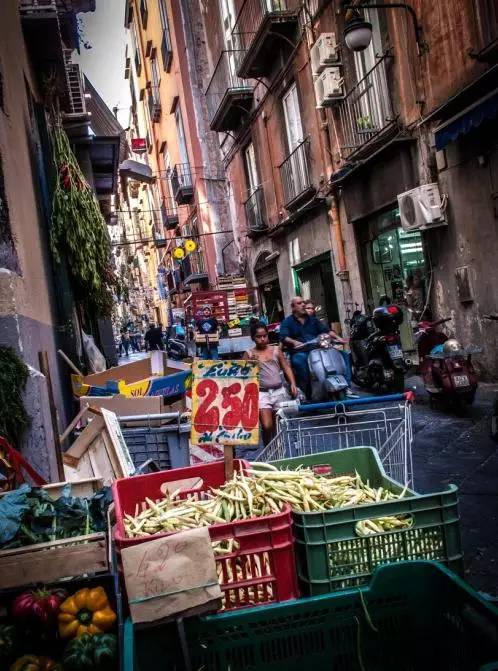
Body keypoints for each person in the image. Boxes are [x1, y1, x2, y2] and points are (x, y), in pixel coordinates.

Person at [245, 322, 297, 446]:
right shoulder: (249, 354)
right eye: (259, 337)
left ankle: (277, 449)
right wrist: (250, 364)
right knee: (267, 425)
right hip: (261, 393)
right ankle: (269, 447)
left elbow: (286, 367)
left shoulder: (276, 350)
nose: (262, 339)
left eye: (265, 336)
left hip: (279, 391)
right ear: (253, 338)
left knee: (278, 423)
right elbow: (243, 374)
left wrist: (292, 383)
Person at [303, 299, 357, 397]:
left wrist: (339, 338)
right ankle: (309, 391)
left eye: (312, 308)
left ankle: (347, 385)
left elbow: (327, 331)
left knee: (344, 355)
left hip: (321, 348)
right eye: (308, 308)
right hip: (308, 350)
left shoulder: (315, 321)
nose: (310, 310)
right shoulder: (300, 322)